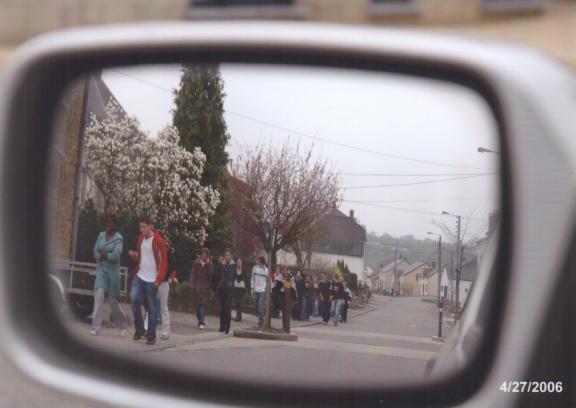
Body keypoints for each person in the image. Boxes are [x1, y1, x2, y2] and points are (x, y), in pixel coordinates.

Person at [128, 216, 167, 345]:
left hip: (152, 279)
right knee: (133, 299)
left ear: (151, 226)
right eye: (140, 227)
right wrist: (135, 256)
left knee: (151, 308)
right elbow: (142, 258)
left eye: (144, 227)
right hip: (140, 275)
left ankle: (151, 336)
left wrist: (158, 280)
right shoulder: (140, 239)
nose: (141, 229)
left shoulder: (159, 241)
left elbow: (163, 263)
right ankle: (139, 329)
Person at [90, 215, 128, 336]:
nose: (108, 224)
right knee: (99, 296)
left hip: (113, 273)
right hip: (101, 270)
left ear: (115, 225)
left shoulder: (119, 239)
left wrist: (106, 256)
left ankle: (122, 325)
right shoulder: (101, 235)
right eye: (107, 222)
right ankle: (96, 327)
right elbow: (95, 251)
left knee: (113, 303)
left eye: (111, 223)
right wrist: (101, 256)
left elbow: (116, 255)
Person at [155, 234, 177, 340]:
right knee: (150, 306)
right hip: (152, 280)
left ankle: (165, 331)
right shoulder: (152, 251)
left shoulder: (167, 252)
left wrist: (165, 276)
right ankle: (146, 329)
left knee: (163, 307)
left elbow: (172, 265)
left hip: (163, 282)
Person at [189, 248, 213, 330]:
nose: (204, 257)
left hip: (205, 287)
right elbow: (192, 274)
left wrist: (208, 264)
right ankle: (200, 319)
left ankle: (201, 322)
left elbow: (210, 276)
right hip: (197, 286)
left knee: (202, 305)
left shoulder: (210, 264)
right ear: (201, 255)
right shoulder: (196, 263)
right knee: (197, 306)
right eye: (203, 255)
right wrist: (191, 284)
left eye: (206, 256)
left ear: (208, 256)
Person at [218, 249, 236, 334]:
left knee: (227, 308)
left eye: (229, 255)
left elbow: (231, 275)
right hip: (222, 288)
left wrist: (225, 266)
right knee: (222, 308)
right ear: (224, 256)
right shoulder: (222, 264)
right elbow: (218, 275)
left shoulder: (233, 265)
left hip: (229, 289)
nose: (227, 257)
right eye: (226, 255)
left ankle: (227, 327)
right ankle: (222, 326)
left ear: (231, 256)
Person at [251, 256, 268, 327]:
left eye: (257, 260)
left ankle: (261, 320)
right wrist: (252, 287)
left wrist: (268, 289)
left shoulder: (266, 270)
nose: (256, 261)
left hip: (262, 290)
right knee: (255, 304)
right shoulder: (255, 268)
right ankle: (259, 315)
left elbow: (268, 280)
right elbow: (252, 278)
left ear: (261, 261)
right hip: (256, 289)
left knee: (261, 304)